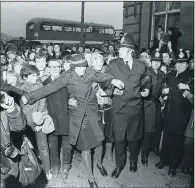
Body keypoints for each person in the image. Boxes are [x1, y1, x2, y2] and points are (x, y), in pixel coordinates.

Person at [21, 54, 124, 188]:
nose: (82, 70)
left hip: (93, 113)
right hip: (78, 116)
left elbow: (102, 77)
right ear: (72, 67)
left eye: (84, 66)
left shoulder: (89, 71)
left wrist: (113, 81)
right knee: (86, 147)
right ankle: (91, 178)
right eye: (79, 68)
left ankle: (99, 164)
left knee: (100, 142)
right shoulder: (67, 76)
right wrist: (28, 96)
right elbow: (48, 88)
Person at [105, 33, 152, 179]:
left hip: (135, 109)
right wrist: (111, 85)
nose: (118, 51)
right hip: (119, 108)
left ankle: (133, 161)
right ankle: (119, 165)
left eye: (122, 48)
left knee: (134, 138)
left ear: (130, 51)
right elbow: (104, 80)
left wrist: (147, 90)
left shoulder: (141, 66)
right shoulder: (113, 65)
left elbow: (147, 81)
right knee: (119, 138)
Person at [155, 49, 194, 176]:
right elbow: (162, 86)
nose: (180, 65)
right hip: (168, 112)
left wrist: (188, 87)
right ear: (175, 63)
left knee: (177, 142)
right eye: (178, 63)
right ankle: (163, 160)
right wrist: (163, 92)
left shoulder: (190, 77)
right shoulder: (171, 74)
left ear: (187, 64)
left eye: (183, 63)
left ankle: (173, 166)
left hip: (181, 115)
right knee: (166, 138)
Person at [18, 64, 52, 181]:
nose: (36, 77)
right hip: (25, 124)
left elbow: (43, 103)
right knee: (29, 150)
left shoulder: (40, 86)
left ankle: (47, 170)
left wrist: (39, 122)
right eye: (33, 76)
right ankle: (33, 174)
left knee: (43, 147)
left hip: (38, 122)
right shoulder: (20, 88)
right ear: (25, 76)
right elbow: (19, 108)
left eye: (36, 75)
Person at [42, 59, 72, 178]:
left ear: (61, 68)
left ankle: (66, 166)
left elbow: (73, 96)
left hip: (66, 117)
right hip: (51, 118)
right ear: (48, 68)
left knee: (67, 143)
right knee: (52, 144)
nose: (54, 69)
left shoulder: (67, 82)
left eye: (57, 66)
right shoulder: (44, 83)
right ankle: (55, 166)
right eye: (52, 66)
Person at [141, 49, 165, 166]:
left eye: (159, 61)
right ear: (151, 61)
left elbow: (162, 90)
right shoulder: (146, 73)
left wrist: (163, 96)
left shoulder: (162, 74)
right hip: (147, 105)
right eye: (155, 61)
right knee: (147, 131)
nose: (157, 63)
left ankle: (153, 148)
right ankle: (144, 154)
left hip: (157, 104)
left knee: (157, 128)